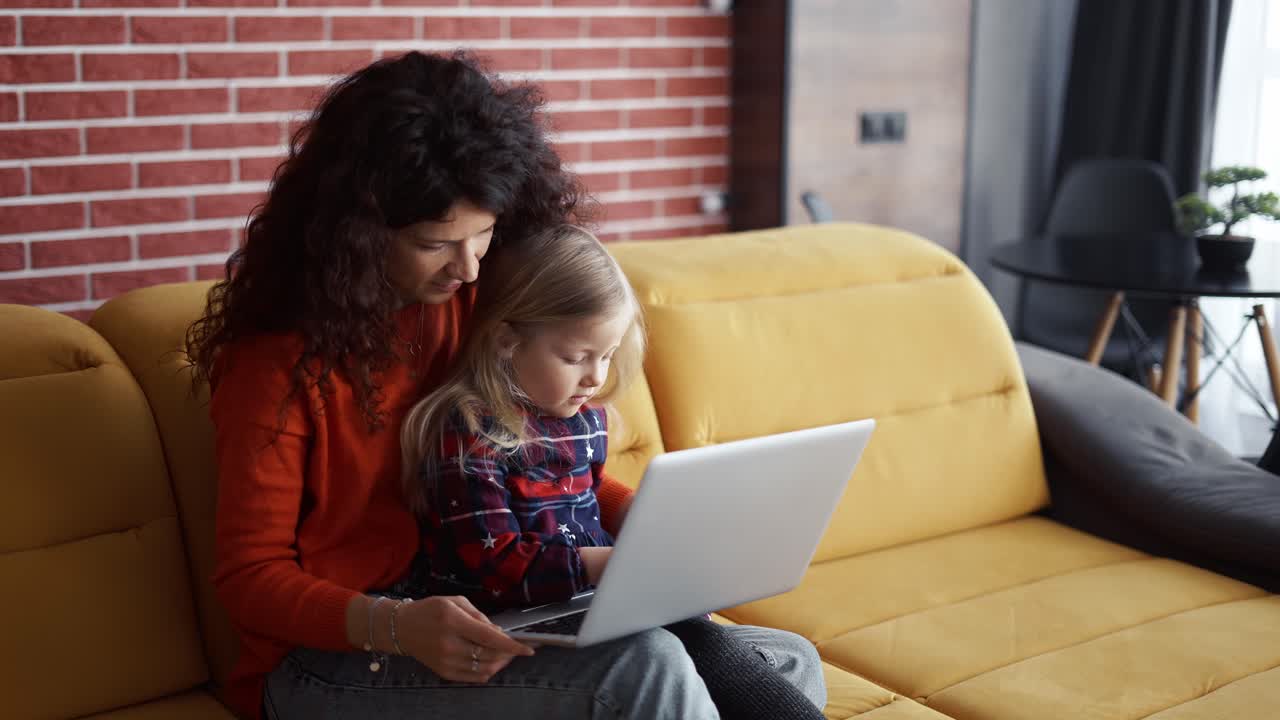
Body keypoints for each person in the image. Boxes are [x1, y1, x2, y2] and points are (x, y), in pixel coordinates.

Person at [188, 50, 826, 720]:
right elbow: (249, 579)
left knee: (785, 661)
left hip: (487, 609)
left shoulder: (476, 310)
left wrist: (654, 530)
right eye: (436, 243)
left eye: (484, 233)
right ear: (356, 234)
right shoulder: (274, 367)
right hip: (327, 661)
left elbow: (543, 464)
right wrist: (399, 627)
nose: (467, 266)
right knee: (646, 669)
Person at [400, 224, 829, 720]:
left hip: (597, 604)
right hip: (515, 618)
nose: (596, 376)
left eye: (606, 355)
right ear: (505, 342)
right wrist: (616, 565)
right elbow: (495, 567)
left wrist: (659, 557)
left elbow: (592, 496)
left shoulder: (583, 417)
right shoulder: (469, 429)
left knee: (796, 658)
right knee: (681, 649)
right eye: (576, 357)